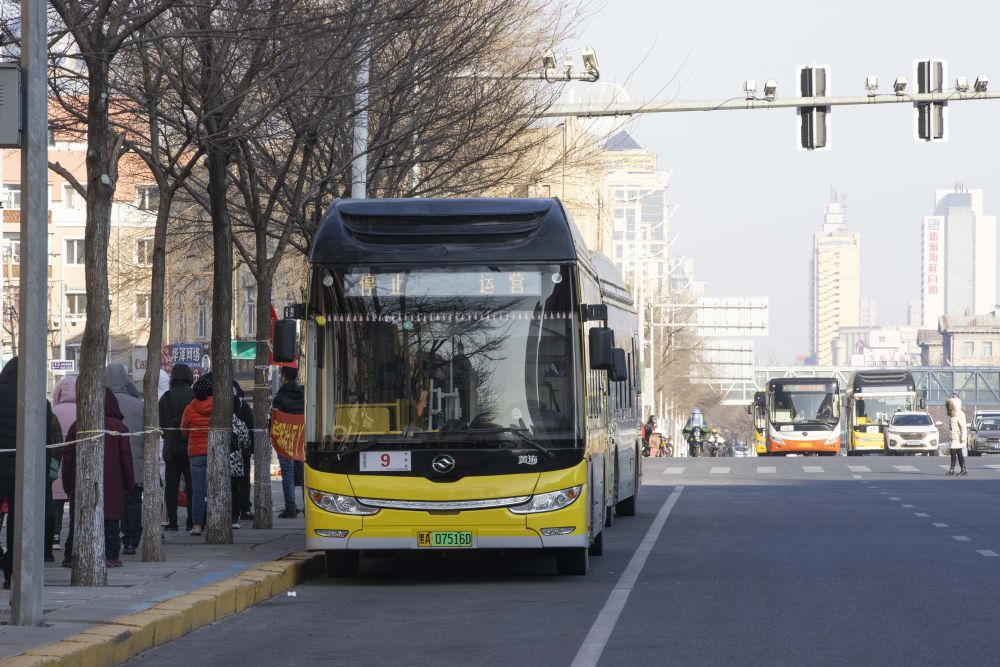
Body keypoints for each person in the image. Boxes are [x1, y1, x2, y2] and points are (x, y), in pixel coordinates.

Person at [0, 357, 58, 588]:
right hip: (25, 470)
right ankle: (12, 574)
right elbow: (46, 442)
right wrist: (42, 475)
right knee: (19, 524)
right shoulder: (40, 401)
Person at [63, 388, 135, 568]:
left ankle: (72, 554)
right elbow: (126, 458)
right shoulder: (119, 428)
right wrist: (129, 482)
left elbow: (68, 458)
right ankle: (110, 555)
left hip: (81, 483)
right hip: (113, 484)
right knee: (110, 519)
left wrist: (67, 484)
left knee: (78, 520)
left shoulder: (78, 426)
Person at [104, 364, 144, 555]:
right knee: (133, 502)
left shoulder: (101, 404)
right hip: (136, 462)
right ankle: (131, 541)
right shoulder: (139, 404)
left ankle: (112, 539)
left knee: (111, 503)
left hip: (109, 465)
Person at [159, 364, 194, 531]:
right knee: (192, 486)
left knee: (171, 487)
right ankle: (191, 521)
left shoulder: (165, 397)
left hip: (171, 449)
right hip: (191, 447)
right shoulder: (195, 396)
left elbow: (161, 424)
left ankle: (172, 522)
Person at [181, 375, 213, 536]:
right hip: (214, 452)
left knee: (198, 491)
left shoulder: (190, 408)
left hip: (196, 453)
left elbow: (184, 430)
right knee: (215, 489)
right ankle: (216, 521)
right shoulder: (217, 406)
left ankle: (197, 525)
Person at [272, 366, 304, 518]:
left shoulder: (279, 398)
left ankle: (291, 508)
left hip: (286, 441)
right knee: (304, 474)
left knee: (287, 474)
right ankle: (308, 506)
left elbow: (276, 421)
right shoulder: (303, 395)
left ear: (283, 377)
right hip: (301, 440)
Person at [230, 381, 254, 528]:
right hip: (239, 456)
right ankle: (240, 511)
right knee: (240, 484)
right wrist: (249, 449)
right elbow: (249, 433)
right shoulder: (243, 407)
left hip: (231, 456)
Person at [946, 391, 968, 476]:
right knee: (959, 452)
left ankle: (952, 469)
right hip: (953, 436)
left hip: (958, 437)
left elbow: (963, 427)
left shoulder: (959, 414)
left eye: (951, 405)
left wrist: (963, 437)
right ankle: (963, 469)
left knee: (953, 451)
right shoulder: (953, 413)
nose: (949, 406)